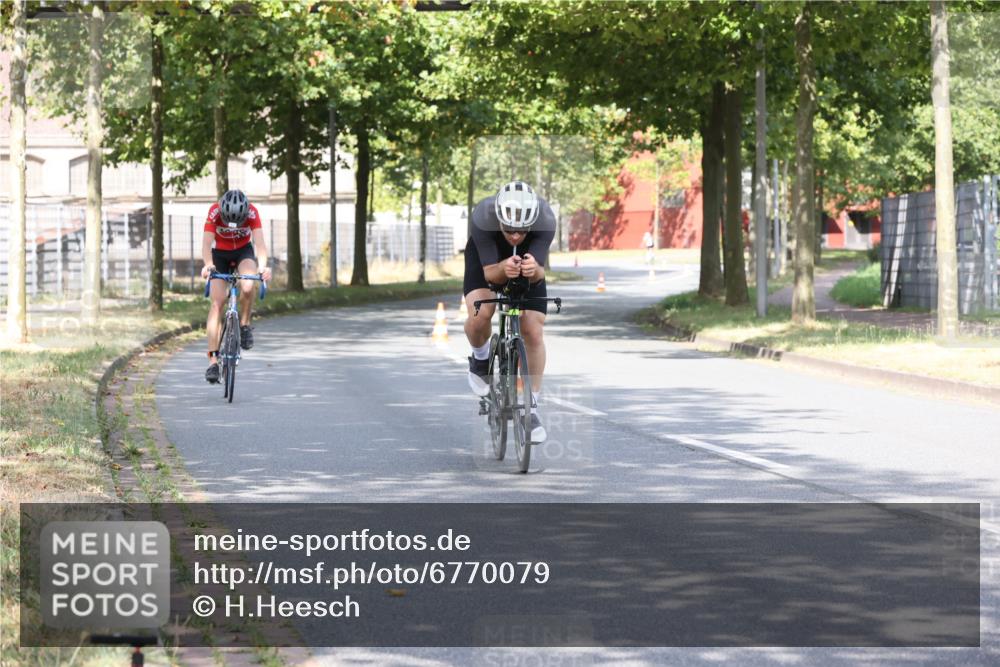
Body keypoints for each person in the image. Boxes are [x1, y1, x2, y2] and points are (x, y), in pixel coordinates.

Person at [464, 181, 556, 443]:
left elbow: (539, 271)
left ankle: (531, 408)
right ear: (499, 220)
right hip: (487, 260)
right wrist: (504, 267)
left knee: (533, 331)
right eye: (509, 230)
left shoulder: (546, 219)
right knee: (481, 313)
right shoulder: (484, 216)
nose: (515, 236)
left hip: (525, 264)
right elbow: (490, 273)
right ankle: (480, 358)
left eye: (522, 231)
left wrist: (532, 270)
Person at [199, 189, 272, 383]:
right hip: (219, 255)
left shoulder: (252, 212)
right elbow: (206, 244)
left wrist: (263, 267)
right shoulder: (214, 211)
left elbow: (260, 244)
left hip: (243, 252)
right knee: (217, 302)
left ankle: (245, 324)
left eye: (239, 222)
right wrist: (208, 264)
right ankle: (213, 361)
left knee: (248, 286)